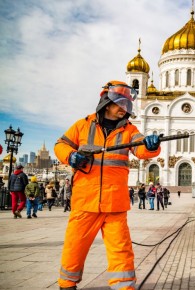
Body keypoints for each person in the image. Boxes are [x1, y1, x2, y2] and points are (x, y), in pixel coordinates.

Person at [54, 80, 161, 290]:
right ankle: (67, 285)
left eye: (127, 106)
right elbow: (61, 144)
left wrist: (152, 145)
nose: (124, 110)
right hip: (85, 201)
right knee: (75, 246)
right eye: (120, 104)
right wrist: (71, 156)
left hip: (115, 203)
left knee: (121, 249)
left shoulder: (130, 130)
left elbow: (142, 150)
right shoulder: (83, 125)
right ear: (106, 102)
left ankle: (124, 287)